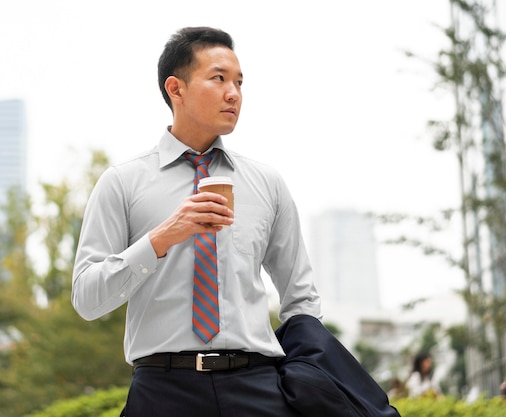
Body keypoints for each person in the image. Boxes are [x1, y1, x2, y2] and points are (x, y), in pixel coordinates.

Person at [71, 26, 323, 417]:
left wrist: (300, 378)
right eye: (219, 78)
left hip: (258, 389)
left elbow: (301, 298)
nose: (234, 93)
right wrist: (161, 239)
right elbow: (86, 299)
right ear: (176, 89)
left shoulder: (266, 183)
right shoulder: (122, 183)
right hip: (162, 392)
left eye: (239, 82)